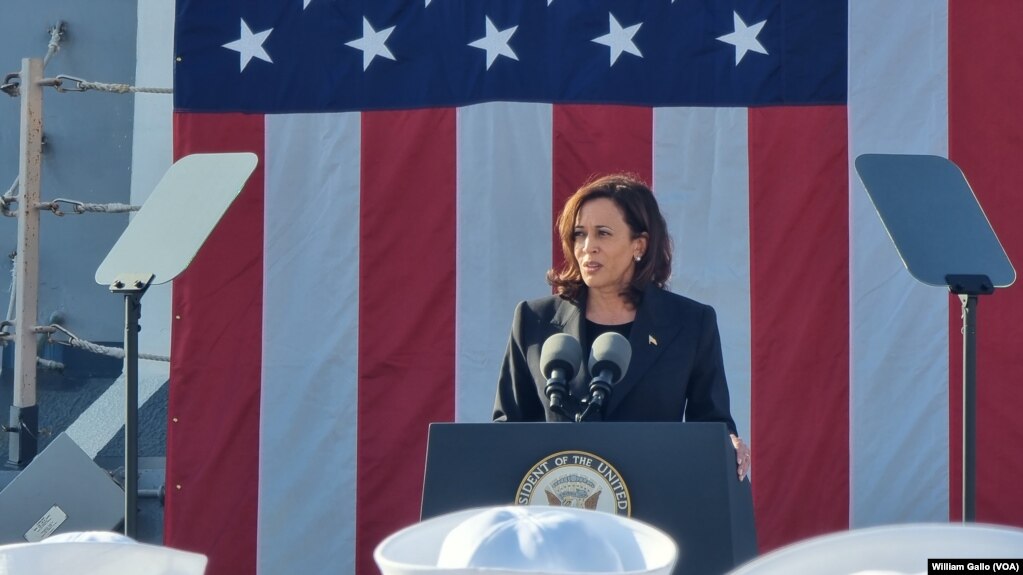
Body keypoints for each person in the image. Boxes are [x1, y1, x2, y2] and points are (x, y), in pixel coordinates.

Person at [492, 173, 751, 480]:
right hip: (558, 507)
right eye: (579, 234)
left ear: (638, 245)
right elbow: (506, 431)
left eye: (603, 233)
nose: (588, 247)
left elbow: (711, 425)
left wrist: (727, 444)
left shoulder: (691, 323)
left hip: (654, 504)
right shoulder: (534, 320)